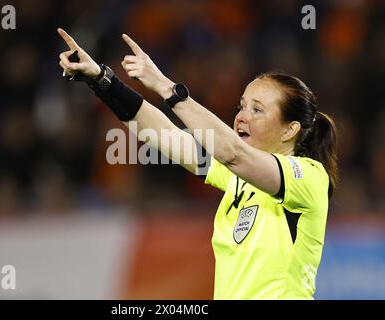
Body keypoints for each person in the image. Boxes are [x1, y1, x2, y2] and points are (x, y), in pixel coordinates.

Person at [57, 27, 338, 300]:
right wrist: (102, 79)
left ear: (290, 130)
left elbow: (233, 153)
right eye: (242, 106)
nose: (242, 116)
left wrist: (166, 87)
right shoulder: (237, 178)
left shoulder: (309, 178)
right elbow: (165, 135)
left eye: (257, 110)